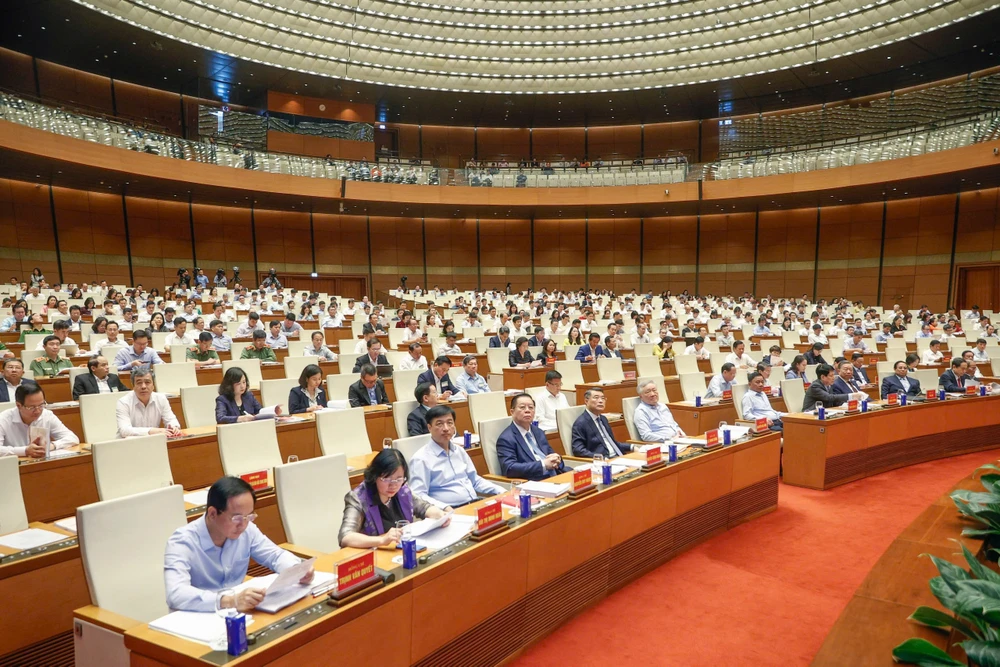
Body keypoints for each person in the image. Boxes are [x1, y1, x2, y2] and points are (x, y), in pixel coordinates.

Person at [165, 476, 313, 612]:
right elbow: (176, 593)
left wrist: (297, 570)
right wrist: (228, 601)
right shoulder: (182, 542)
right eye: (236, 518)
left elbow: (275, 555)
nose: (243, 524)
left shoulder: (247, 529)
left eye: (249, 516)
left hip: (237, 614)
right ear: (212, 513)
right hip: (197, 617)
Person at [338, 448, 451, 548]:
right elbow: (345, 536)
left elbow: (423, 507)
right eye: (386, 479)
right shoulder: (358, 498)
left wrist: (440, 515)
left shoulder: (402, 489)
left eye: (399, 479)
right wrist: (382, 540)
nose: (393, 485)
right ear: (375, 476)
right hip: (372, 556)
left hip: (400, 550)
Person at [408, 405, 504, 508]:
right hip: (448, 511)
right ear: (429, 427)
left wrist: (502, 491)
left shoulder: (459, 451)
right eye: (439, 424)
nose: (446, 428)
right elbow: (418, 495)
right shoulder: (420, 459)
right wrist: (444, 507)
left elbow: (475, 480)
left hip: (474, 504)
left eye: (449, 423)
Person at [497, 393, 567, 480]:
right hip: (535, 481)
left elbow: (551, 455)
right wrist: (543, 464)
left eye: (531, 407)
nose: (527, 410)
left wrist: (557, 458)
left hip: (556, 475)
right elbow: (510, 468)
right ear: (512, 412)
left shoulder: (538, 432)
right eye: (522, 407)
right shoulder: (506, 438)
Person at [0, 381, 79, 457]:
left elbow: (72, 438)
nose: (37, 411)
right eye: (32, 407)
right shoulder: (3, 419)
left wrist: (51, 446)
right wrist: (25, 450)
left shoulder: (47, 415)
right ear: (18, 405)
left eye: (41, 405)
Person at [116, 367, 182, 438]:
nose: (143, 386)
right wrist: (152, 431)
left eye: (147, 382)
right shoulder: (123, 402)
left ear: (153, 385)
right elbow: (124, 431)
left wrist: (174, 427)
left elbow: (171, 419)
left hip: (153, 441)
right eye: (139, 383)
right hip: (128, 444)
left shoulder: (161, 399)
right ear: (133, 386)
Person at [571, 387, 633, 456]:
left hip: (619, 456)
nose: (600, 401)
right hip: (604, 460)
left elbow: (611, 442)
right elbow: (578, 450)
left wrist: (632, 447)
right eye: (596, 397)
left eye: (603, 398)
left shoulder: (603, 419)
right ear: (586, 401)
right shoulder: (580, 423)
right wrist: (599, 458)